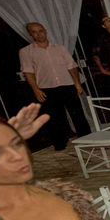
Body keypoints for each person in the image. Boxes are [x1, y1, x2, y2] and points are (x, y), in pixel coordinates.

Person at [19, 22, 90, 150]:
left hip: (67, 85)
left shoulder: (60, 48)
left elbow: (71, 66)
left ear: (45, 31)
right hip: (47, 88)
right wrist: (36, 89)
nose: (39, 34)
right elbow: (28, 72)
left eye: (40, 31)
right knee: (55, 117)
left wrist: (77, 83)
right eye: (34, 32)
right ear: (30, 34)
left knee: (77, 114)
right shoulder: (26, 52)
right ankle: (60, 143)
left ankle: (87, 138)